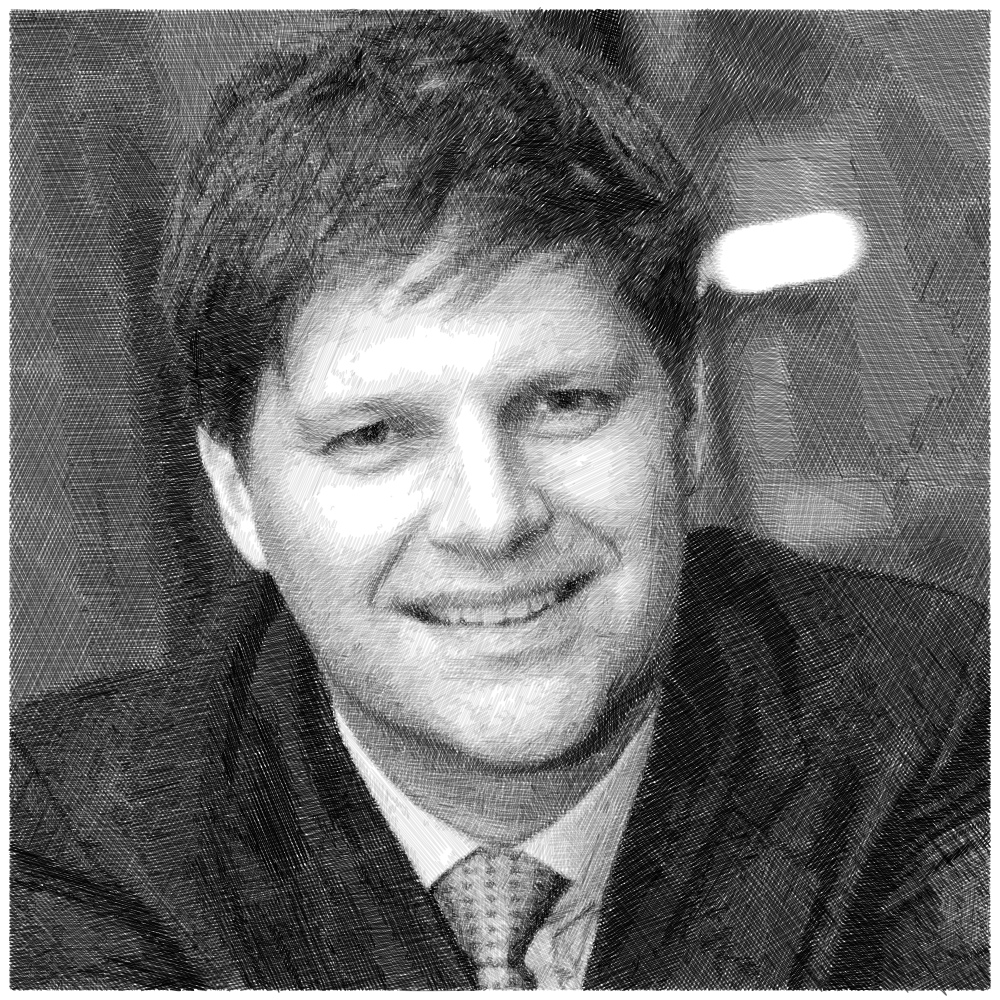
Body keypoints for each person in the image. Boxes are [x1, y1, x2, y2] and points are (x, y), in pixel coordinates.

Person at [10, 12, 987, 990]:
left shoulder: (937, 720)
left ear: (689, 417)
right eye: (374, 436)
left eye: (563, 403)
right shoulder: (73, 834)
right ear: (237, 493)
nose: (493, 518)